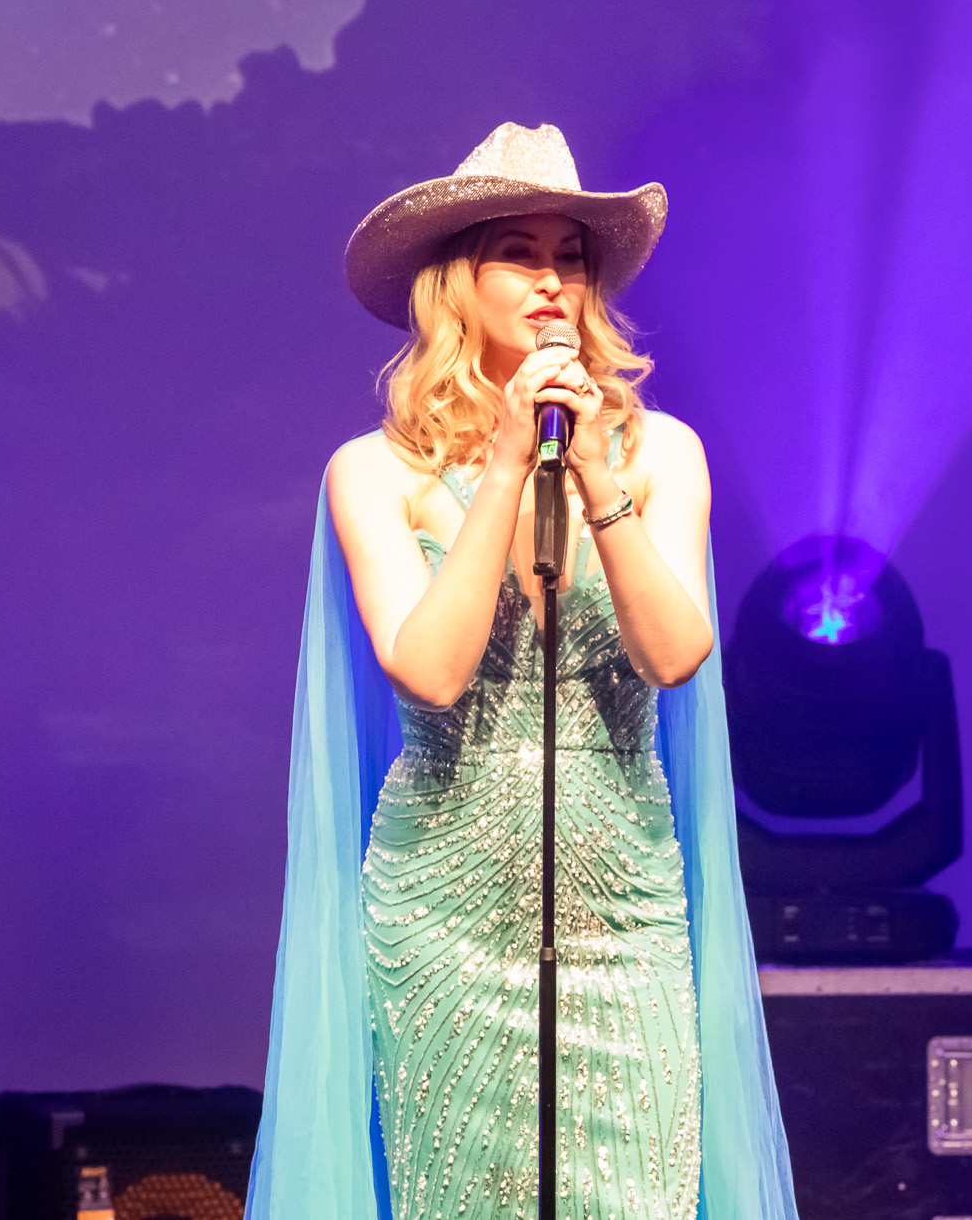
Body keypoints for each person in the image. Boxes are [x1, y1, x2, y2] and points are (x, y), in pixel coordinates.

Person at [245, 123, 797, 1220]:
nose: (552, 281)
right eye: (520, 253)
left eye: (570, 257)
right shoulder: (374, 472)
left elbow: (675, 655)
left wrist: (595, 475)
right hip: (444, 917)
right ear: (457, 280)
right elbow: (431, 671)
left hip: (621, 913)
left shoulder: (660, 454)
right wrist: (504, 462)